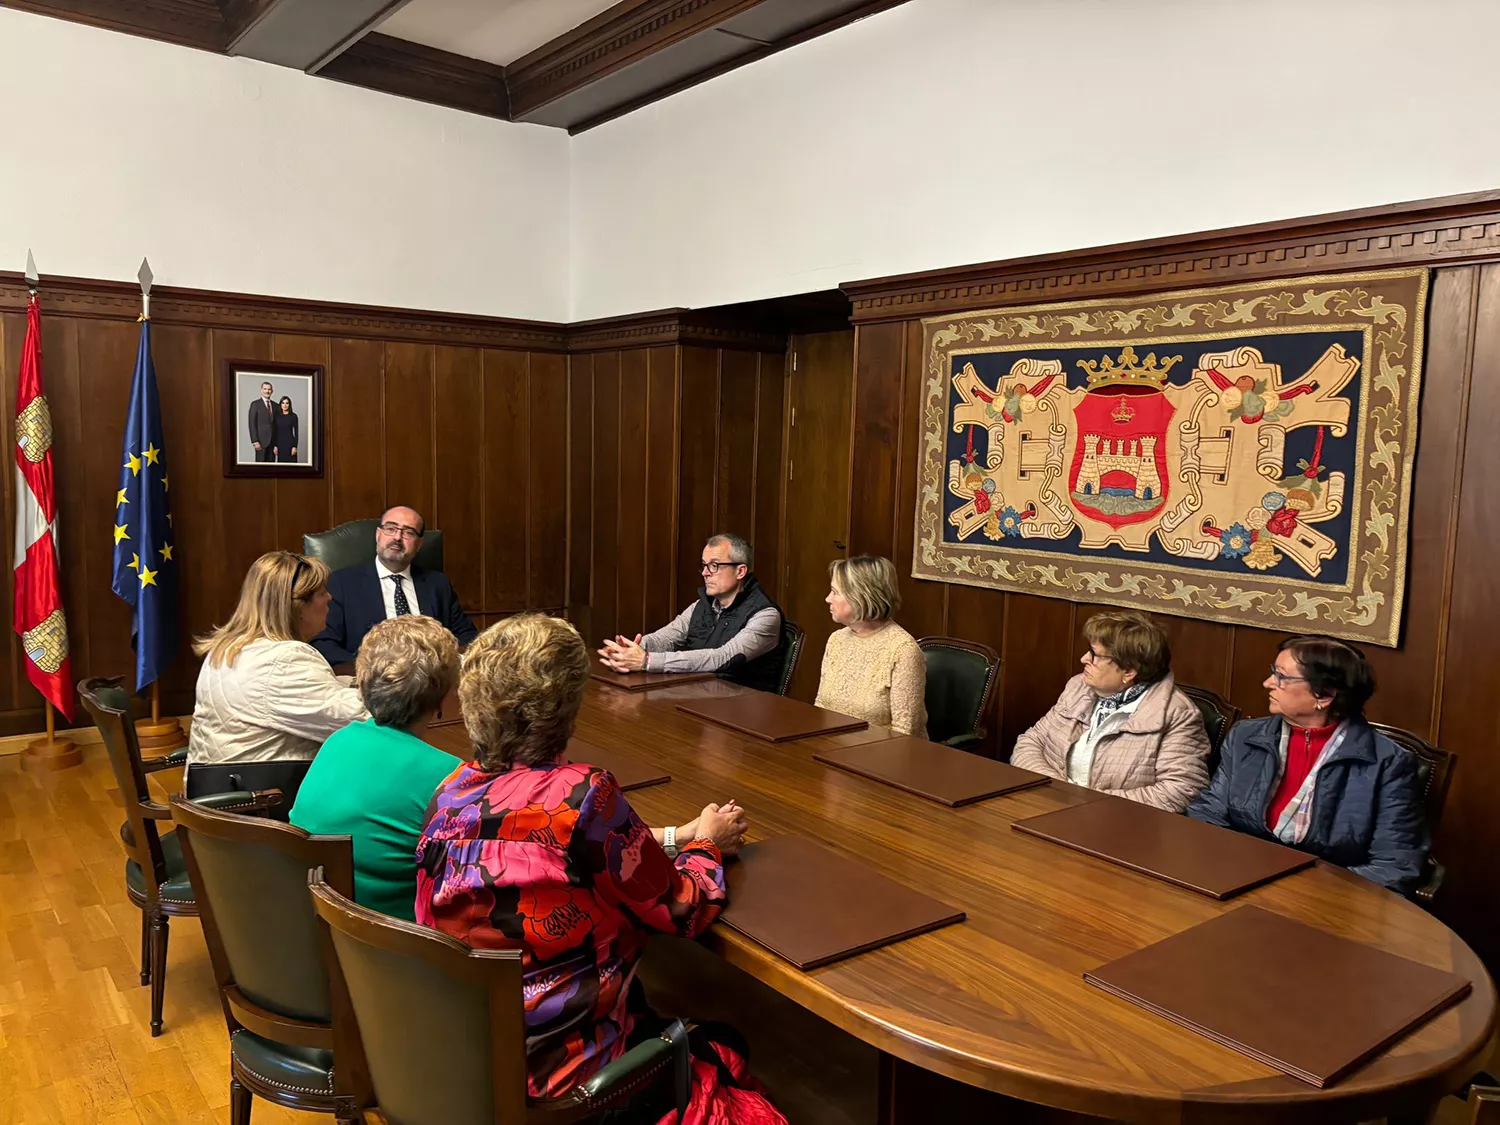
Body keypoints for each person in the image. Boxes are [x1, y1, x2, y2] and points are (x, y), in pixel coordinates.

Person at [418, 614, 781, 1121]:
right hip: (567, 1075)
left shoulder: (449, 793)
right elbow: (683, 910)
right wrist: (708, 844)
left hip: (468, 1052)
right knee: (727, 1044)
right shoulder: (582, 795)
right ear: (565, 707)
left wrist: (673, 837)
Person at [1188, 636, 1428, 893]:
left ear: (1324, 695)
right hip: (1237, 878)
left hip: (1329, 896)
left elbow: (1394, 865)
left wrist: (1306, 892)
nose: (1268, 683)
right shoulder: (1245, 737)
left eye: (1281, 676)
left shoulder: (1387, 762)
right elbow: (1208, 813)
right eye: (1273, 672)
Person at [289, 616, 459, 921]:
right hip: (396, 938)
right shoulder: (451, 776)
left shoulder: (337, 742)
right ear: (443, 696)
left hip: (314, 923)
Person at [186, 551, 367, 806]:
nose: (330, 597)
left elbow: (306, 693)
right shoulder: (284, 659)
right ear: (298, 607)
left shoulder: (228, 648)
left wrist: (351, 684)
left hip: (217, 797)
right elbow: (360, 718)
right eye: (321, 592)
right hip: (258, 809)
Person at [1010, 611, 1209, 812]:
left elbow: (1180, 791)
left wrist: (1088, 803)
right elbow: (1030, 742)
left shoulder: (1178, 715)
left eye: (1094, 654)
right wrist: (1058, 790)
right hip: (1049, 806)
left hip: (1119, 822)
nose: (1084, 659)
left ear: (1129, 671)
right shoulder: (1079, 687)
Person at [598, 532, 785, 692]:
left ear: (740, 571)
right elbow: (667, 637)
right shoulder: (701, 605)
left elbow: (722, 658)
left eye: (714, 566)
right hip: (698, 695)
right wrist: (629, 650)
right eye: (704, 565)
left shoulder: (766, 616)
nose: (705, 573)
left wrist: (647, 661)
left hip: (742, 707)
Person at [311, 505, 478, 666]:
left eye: (408, 532)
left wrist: (444, 663)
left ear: (419, 544)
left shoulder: (437, 584)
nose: (397, 537)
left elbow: (468, 636)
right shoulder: (342, 583)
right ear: (378, 535)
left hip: (432, 677)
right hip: (369, 678)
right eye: (390, 529)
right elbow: (324, 642)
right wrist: (367, 668)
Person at [813, 556, 926, 736]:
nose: (828, 599)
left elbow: (904, 733)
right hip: (831, 746)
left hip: (882, 751)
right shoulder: (836, 639)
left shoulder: (903, 650)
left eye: (835, 592)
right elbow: (821, 706)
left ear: (860, 596)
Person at [247, 380, 276, 463]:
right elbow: (252, 424)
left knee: (271, 466)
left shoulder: (276, 405)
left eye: (269, 389)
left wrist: (277, 444)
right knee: (260, 466)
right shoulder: (255, 404)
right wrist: (255, 441)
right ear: (261, 390)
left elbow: (277, 425)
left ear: (272, 391)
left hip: (272, 442)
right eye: (265, 389)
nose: (267, 391)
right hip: (260, 441)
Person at [272, 394, 298, 463]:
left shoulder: (293, 416)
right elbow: (275, 432)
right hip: (280, 444)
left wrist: (295, 446)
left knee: (292, 466)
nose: (285, 405)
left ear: (289, 405)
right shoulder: (277, 416)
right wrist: (275, 445)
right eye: (283, 403)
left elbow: (296, 433)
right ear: (280, 404)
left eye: (287, 403)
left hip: (290, 444)